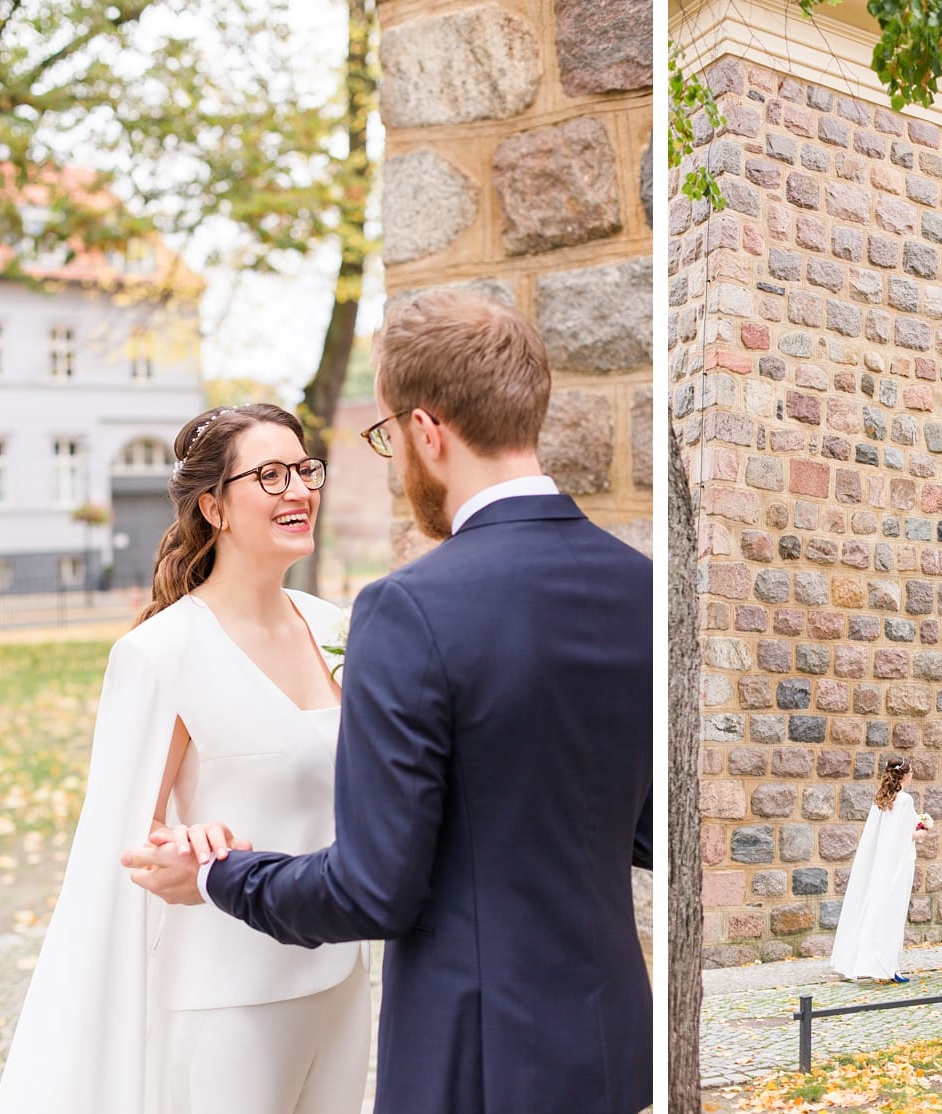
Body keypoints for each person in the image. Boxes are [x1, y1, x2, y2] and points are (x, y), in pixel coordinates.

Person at [124, 290, 654, 1114]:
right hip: (612, 1034)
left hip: (472, 1052)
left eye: (387, 438)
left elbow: (376, 890)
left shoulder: (409, 608)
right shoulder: (639, 585)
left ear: (428, 432)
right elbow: (645, 828)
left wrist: (225, 876)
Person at [0, 403, 371, 1114]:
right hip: (228, 997)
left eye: (303, 469)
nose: (298, 489)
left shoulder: (337, 628)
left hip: (340, 977)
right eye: (269, 475)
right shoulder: (159, 654)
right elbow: (124, 849)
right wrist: (180, 842)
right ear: (214, 506)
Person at [830, 757, 932, 983]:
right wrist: (922, 833)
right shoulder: (904, 800)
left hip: (879, 865)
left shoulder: (882, 799)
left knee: (872, 908)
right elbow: (903, 835)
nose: (912, 776)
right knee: (890, 912)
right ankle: (885, 967)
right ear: (905, 775)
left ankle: (863, 961)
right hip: (896, 866)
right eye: (911, 772)